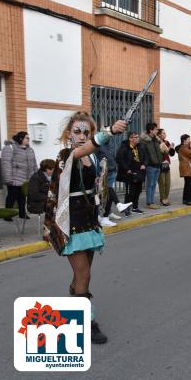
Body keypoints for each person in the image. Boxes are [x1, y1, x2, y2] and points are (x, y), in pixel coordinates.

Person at [43, 111, 127, 344]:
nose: (81, 136)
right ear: (69, 135)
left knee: (82, 274)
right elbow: (83, 150)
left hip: (89, 221)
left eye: (86, 132)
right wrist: (109, 132)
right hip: (71, 223)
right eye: (77, 132)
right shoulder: (66, 155)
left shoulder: (92, 158)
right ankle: (85, 322)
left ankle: (73, 308)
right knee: (84, 274)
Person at [2, 131, 38, 221]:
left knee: (22, 198)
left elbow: (34, 164)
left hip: (25, 179)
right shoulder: (10, 147)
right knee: (11, 197)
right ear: (21, 138)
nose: (28, 139)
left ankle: (22, 213)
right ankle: (7, 215)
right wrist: (8, 179)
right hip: (14, 179)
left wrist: (35, 177)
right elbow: (6, 164)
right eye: (27, 138)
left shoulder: (30, 150)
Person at [96, 139, 132, 227]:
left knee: (109, 194)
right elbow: (96, 160)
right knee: (103, 194)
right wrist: (98, 174)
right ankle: (103, 214)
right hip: (101, 174)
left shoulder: (109, 143)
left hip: (110, 171)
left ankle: (108, 214)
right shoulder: (95, 145)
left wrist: (115, 167)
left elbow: (111, 156)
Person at [116, 131, 147, 215]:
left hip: (139, 172)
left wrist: (144, 164)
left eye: (137, 137)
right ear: (130, 139)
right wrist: (127, 169)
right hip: (129, 173)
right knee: (130, 192)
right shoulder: (124, 148)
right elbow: (119, 159)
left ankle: (135, 207)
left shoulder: (140, 147)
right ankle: (127, 209)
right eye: (135, 137)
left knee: (138, 191)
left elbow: (146, 157)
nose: (138, 138)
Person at [140, 122, 163, 209]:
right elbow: (144, 154)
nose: (157, 131)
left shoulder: (156, 140)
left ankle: (152, 201)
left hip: (157, 165)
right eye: (156, 129)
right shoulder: (144, 141)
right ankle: (149, 202)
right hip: (150, 165)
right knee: (150, 184)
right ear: (151, 130)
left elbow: (159, 152)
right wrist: (147, 163)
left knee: (154, 184)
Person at [157, 129, 175, 206]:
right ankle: (163, 199)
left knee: (168, 183)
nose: (165, 134)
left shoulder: (166, 142)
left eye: (165, 133)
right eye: (163, 133)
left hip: (166, 164)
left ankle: (166, 198)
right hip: (160, 164)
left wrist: (171, 148)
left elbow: (171, 154)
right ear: (159, 135)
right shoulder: (156, 142)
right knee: (162, 182)